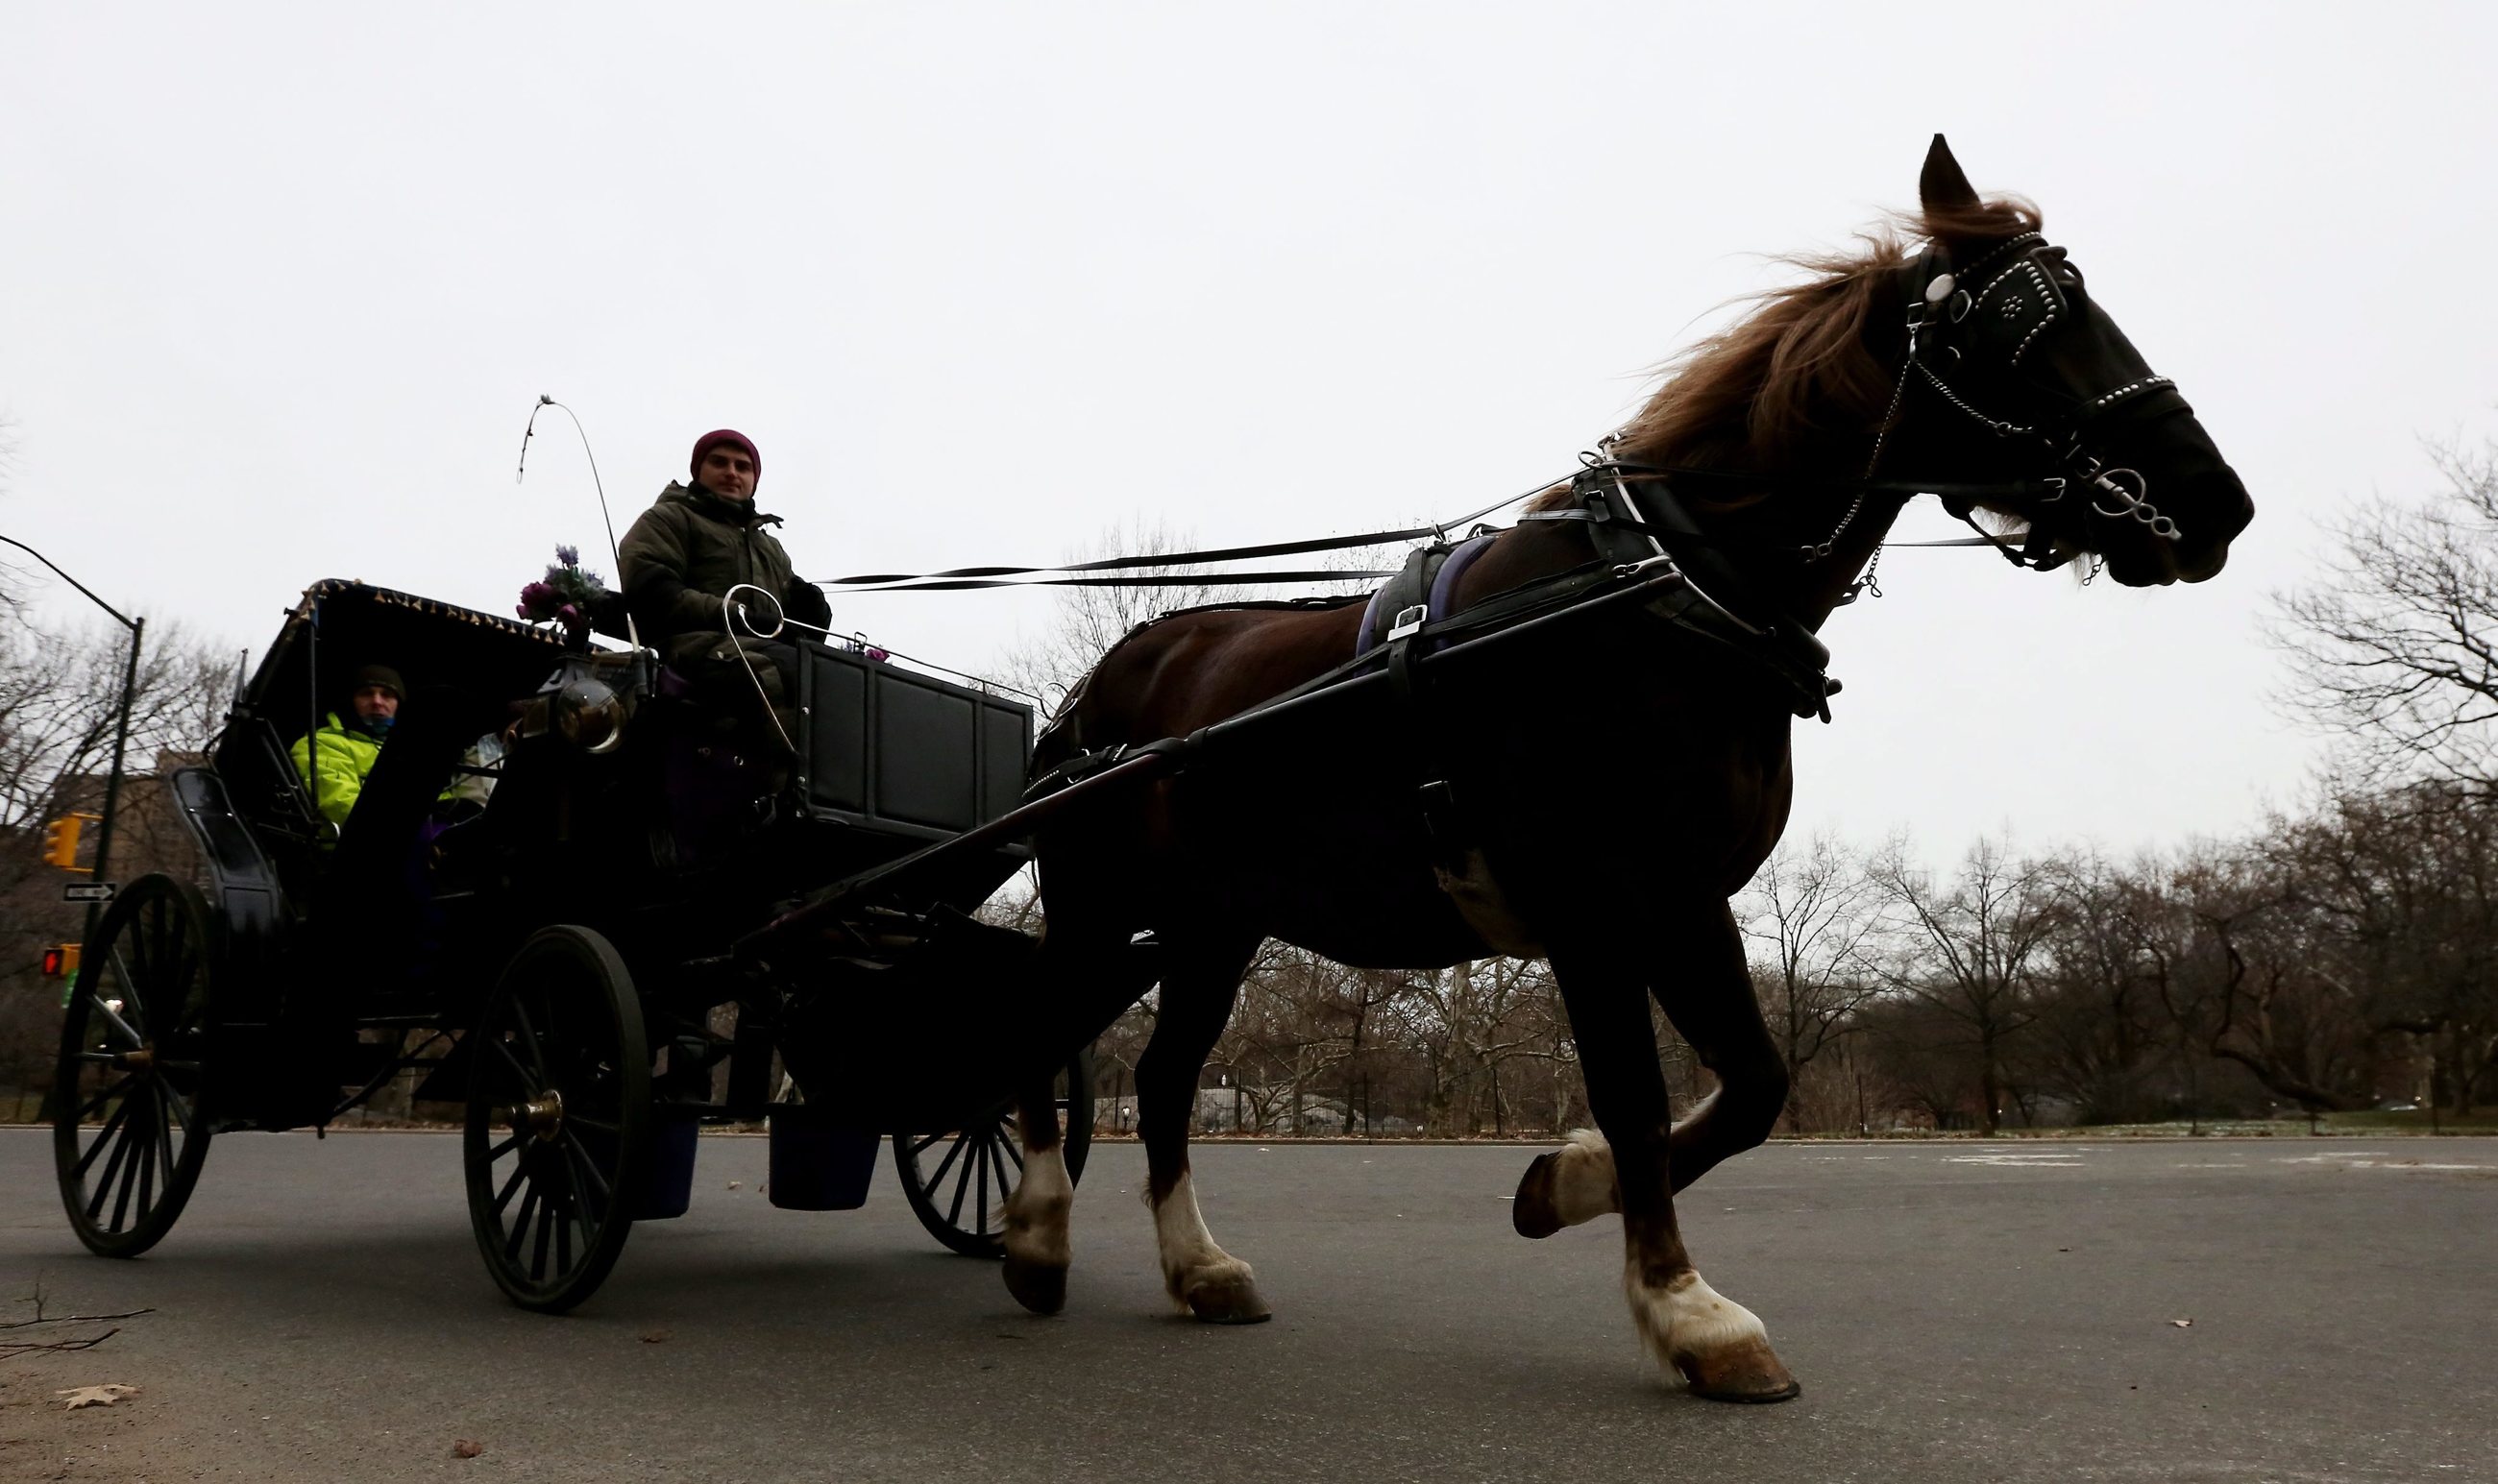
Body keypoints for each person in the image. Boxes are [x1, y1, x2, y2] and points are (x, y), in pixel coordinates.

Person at [619, 430, 832, 757]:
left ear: (754, 480)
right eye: (719, 463)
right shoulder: (669, 518)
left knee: (835, 676)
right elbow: (651, 591)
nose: (732, 472)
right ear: (698, 471)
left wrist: (812, 612)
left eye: (742, 467)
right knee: (782, 671)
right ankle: (786, 780)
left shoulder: (771, 548)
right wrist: (736, 615)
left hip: (756, 648)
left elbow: (787, 622)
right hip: (688, 648)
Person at [290, 664, 404, 828]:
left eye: (387, 695)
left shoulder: (415, 748)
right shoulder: (321, 743)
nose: (377, 702)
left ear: (399, 704)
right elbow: (343, 805)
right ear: (350, 701)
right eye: (367, 694)